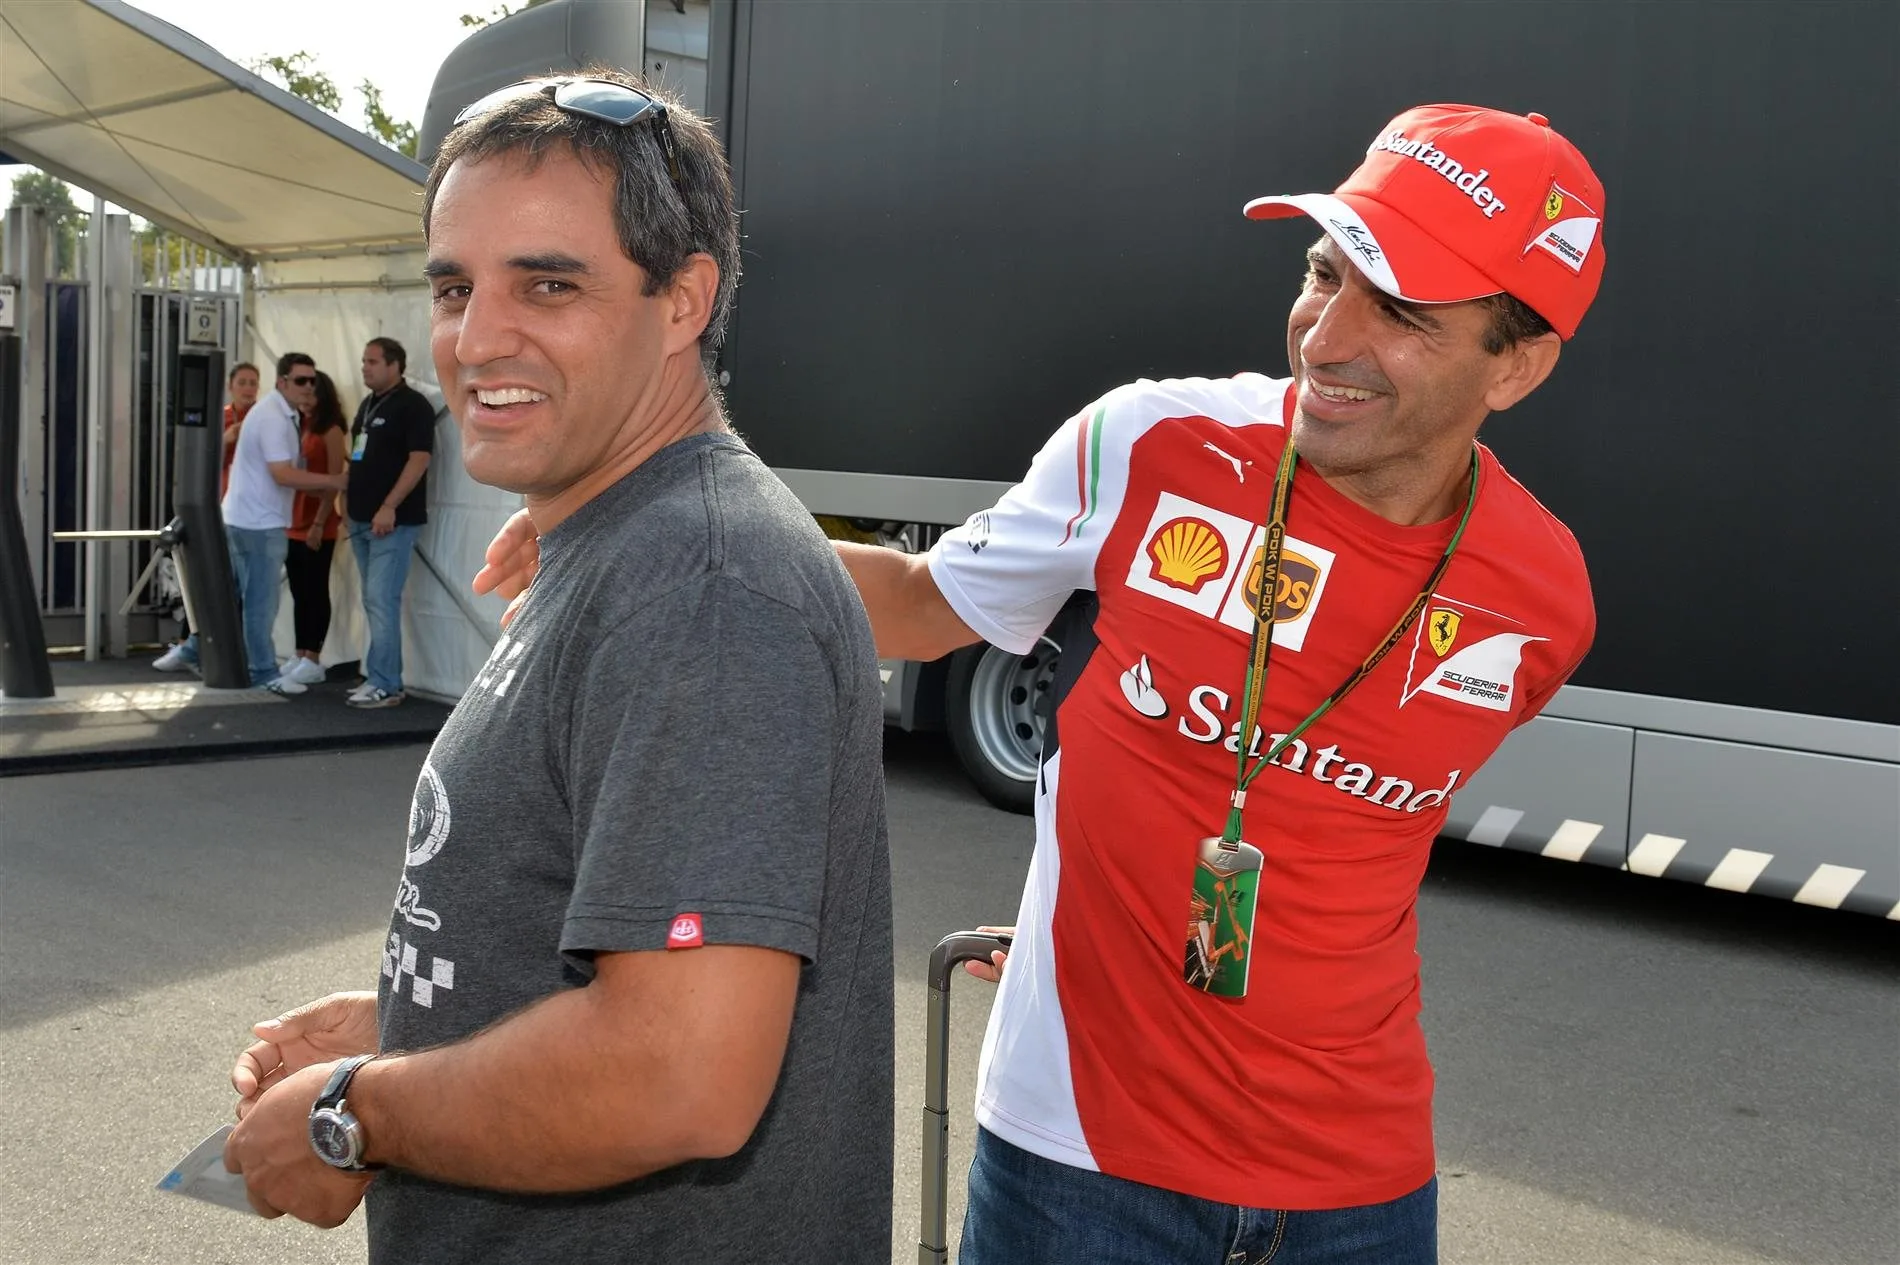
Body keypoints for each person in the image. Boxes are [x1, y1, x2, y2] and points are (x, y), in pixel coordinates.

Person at [483, 101, 1608, 1261]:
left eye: (1402, 311)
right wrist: (643, 532)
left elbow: (1346, 837)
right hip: (1081, 1163)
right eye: (1323, 272)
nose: (1326, 338)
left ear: (1514, 364)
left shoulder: (1542, 599)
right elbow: (922, 604)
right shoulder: (1154, 442)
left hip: (1362, 1188)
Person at [222, 71, 894, 1265]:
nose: (476, 339)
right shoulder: (626, 543)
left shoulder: (703, 583)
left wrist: (352, 1111)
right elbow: (601, 956)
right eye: (452, 286)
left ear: (682, 299)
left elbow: (676, 1073)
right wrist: (417, 1020)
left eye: (547, 283)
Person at [167, 354, 347, 687]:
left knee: (236, 595)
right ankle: (262, 671)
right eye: (300, 380)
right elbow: (282, 474)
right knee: (259, 602)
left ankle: (203, 652)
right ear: (282, 382)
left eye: (312, 379)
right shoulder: (274, 418)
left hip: (249, 518)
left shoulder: (282, 415)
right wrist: (332, 482)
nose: (308, 386)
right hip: (258, 524)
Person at [342, 337, 435, 708]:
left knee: (381, 599)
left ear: (396, 365)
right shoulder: (369, 404)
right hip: (360, 518)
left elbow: (419, 459)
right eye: (364, 360)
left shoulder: (413, 406)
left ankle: (387, 683)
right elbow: (357, 457)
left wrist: (389, 506)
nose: (365, 367)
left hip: (391, 522)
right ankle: (377, 675)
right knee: (372, 599)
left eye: (373, 361)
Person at [155, 361, 260, 671]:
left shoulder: (263, 420)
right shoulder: (221, 420)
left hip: (250, 516)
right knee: (207, 581)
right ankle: (193, 643)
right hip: (218, 512)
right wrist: (226, 439)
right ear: (230, 386)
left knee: (240, 588)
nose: (248, 388)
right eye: (242, 382)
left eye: (253, 382)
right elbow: (200, 461)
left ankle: (224, 651)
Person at [271, 370, 351, 694]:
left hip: (317, 522)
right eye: (301, 388)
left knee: (316, 590)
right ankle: (300, 652)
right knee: (300, 592)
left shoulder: (331, 430)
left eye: (311, 390)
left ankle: (313, 658)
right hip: (293, 521)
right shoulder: (297, 426)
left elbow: (335, 481)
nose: (305, 395)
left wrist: (319, 522)